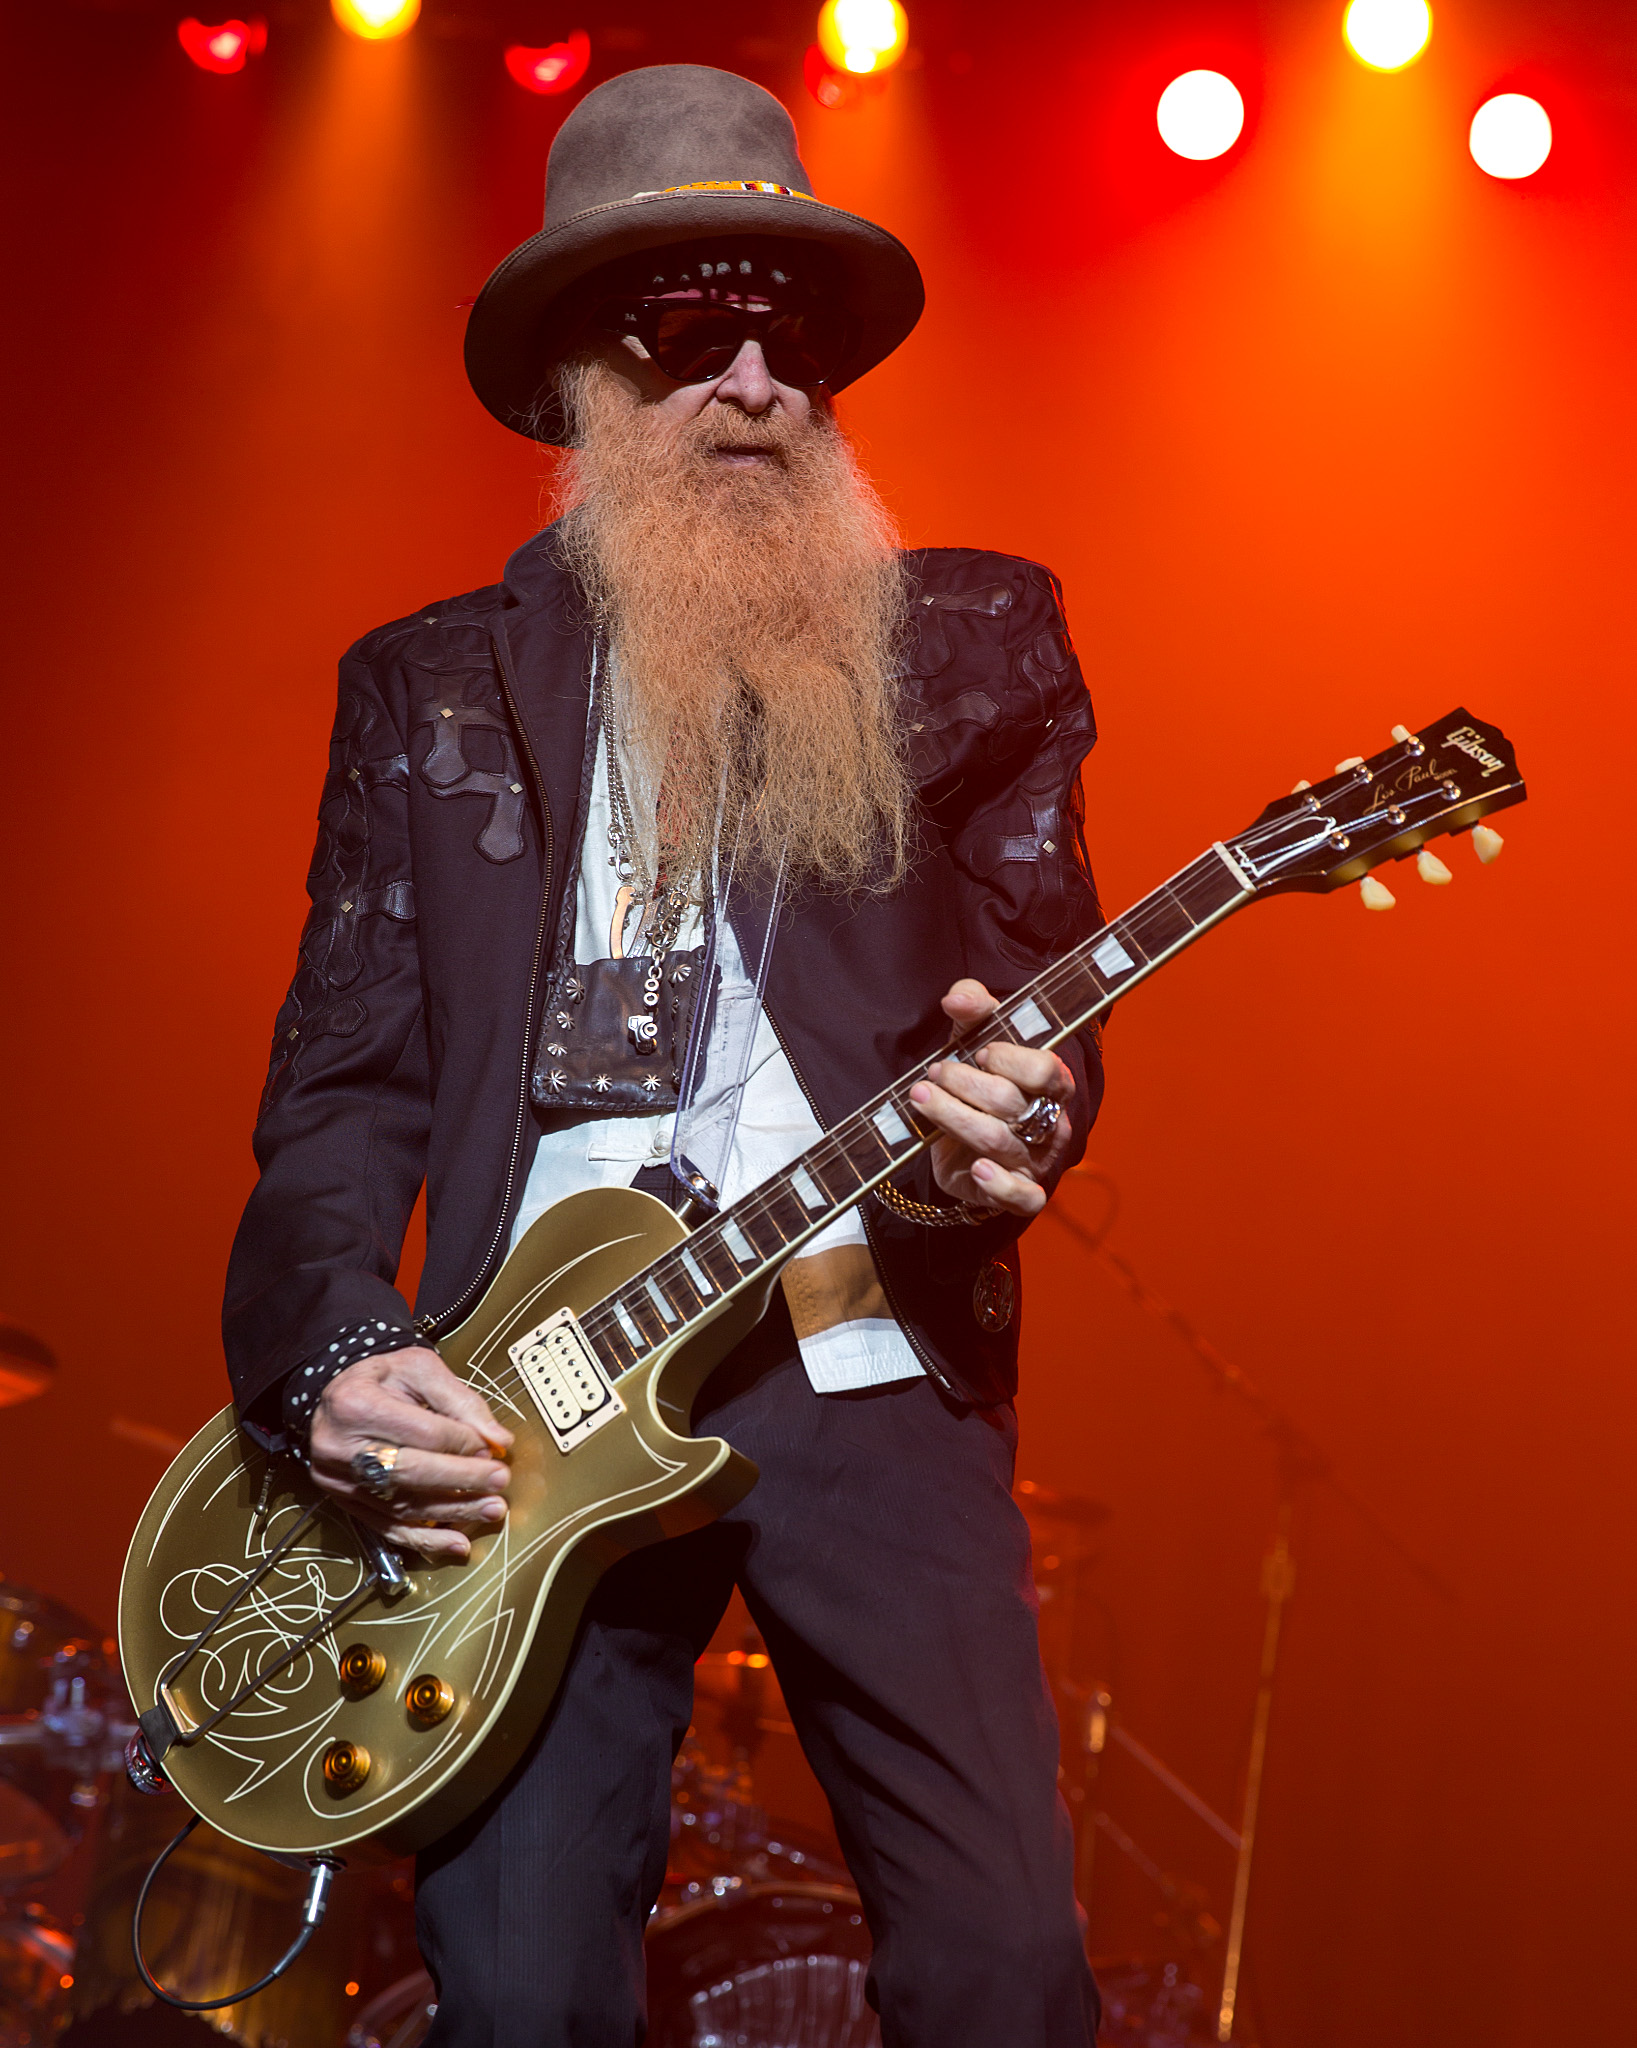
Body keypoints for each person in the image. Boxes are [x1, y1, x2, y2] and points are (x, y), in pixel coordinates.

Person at [224, 63, 1106, 2048]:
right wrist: (329, 1357)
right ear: (578, 381)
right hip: (531, 1405)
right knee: (521, 1993)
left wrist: (1019, 1109)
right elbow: (342, 1090)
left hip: (859, 1340)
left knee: (1006, 1974)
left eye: (794, 332)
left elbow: (1044, 990)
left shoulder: (967, 643)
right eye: (694, 326)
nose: (757, 375)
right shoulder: (427, 688)